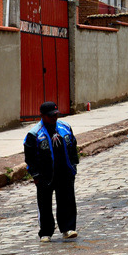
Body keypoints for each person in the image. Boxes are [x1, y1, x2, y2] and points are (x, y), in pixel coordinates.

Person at [24, 102, 79, 242]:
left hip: (65, 171)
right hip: (45, 175)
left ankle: (68, 228)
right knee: (44, 203)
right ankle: (45, 232)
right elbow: (30, 157)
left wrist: (73, 165)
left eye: (56, 115)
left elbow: (73, 145)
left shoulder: (65, 127)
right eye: (50, 116)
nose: (54, 118)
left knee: (66, 200)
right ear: (42, 116)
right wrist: (35, 175)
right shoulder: (34, 134)